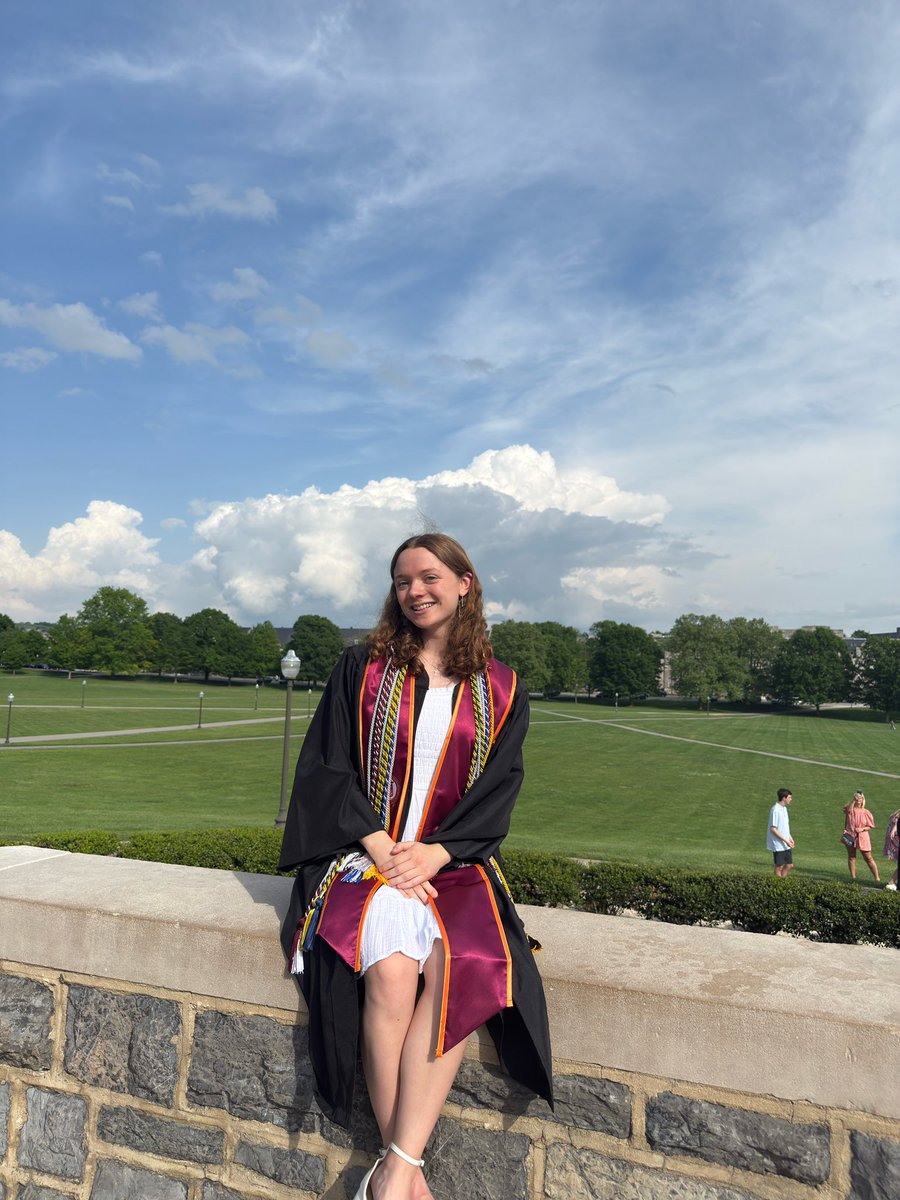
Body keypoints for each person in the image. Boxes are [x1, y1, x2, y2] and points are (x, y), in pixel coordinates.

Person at [278, 533, 553, 1200]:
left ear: (465, 582)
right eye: (402, 581)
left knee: (470, 967)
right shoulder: (364, 670)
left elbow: (498, 790)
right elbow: (325, 767)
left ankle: (393, 1170)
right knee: (394, 974)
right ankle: (404, 1167)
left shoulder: (502, 688)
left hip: (447, 861)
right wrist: (378, 844)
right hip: (360, 855)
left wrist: (437, 850)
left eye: (429, 576)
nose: (415, 591)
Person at [842, 791, 880, 883]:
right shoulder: (850, 808)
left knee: (868, 857)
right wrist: (853, 800)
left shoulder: (866, 812)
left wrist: (862, 829)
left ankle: (877, 878)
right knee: (851, 856)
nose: (859, 799)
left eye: (861, 798)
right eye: (857, 798)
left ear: (863, 800)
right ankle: (853, 878)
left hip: (863, 836)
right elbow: (848, 811)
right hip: (850, 835)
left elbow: (870, 826)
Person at [767, 788, 794, 877]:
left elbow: (785, 826)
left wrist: (790, 838)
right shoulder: (775, 810)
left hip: (786, 843)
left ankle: (782, 882)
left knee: (790, 865)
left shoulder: (784, 809)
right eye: (789, 797)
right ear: (784, 798)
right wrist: (786, 841)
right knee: (779, 866)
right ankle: (777, 884)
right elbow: (773, 829)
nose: (791, 799)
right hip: (778, 844)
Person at [883, 809, 899, 890]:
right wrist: (894, 828)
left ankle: (892, 881)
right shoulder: (897, 815)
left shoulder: (895, 814)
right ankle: (891, 882)